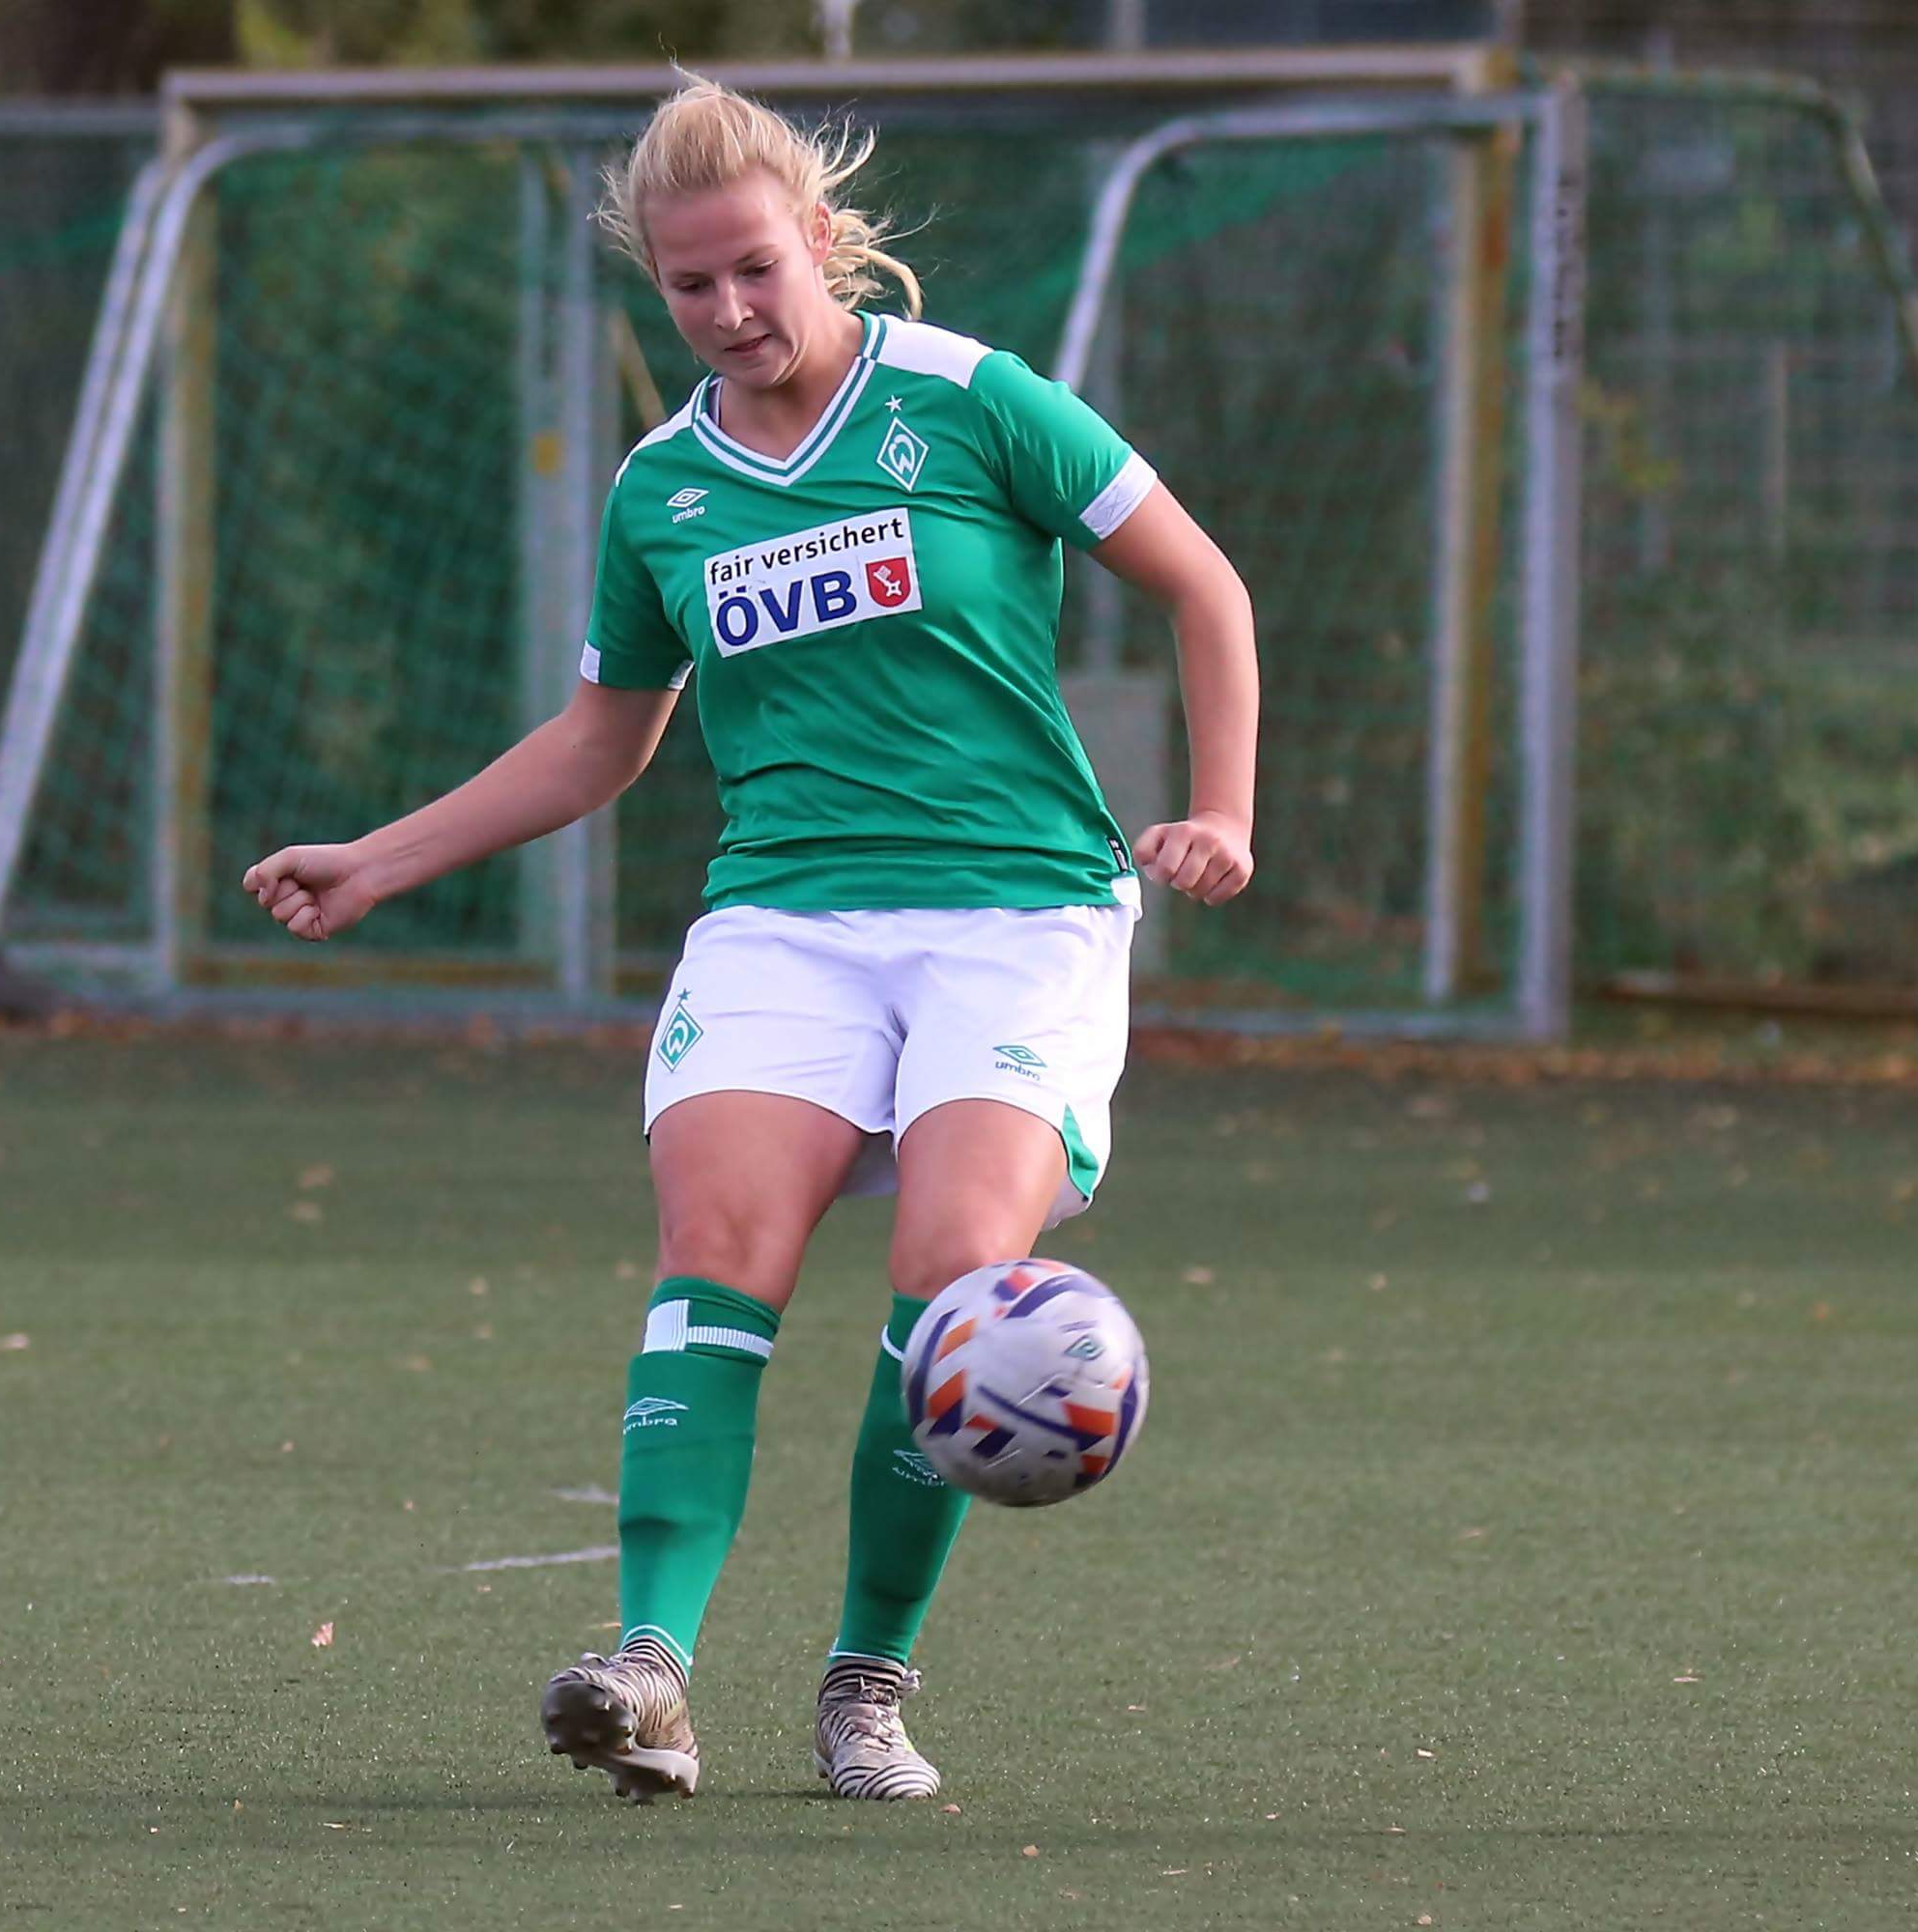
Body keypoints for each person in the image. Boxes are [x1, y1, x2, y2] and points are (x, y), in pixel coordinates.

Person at [243, 74, 1259, 1804]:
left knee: (955, 1270)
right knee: (715, 1252)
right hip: (785, 923)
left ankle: (866, 1683)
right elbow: (601, 741)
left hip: (1017, 916)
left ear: (823, 242)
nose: (727, 309)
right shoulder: (663, 488)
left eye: (756, 270)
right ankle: (648, 1673)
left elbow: (1203, 586)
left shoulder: (972, 400)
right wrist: (380, 863)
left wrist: (1219, 812)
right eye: (690, 285)